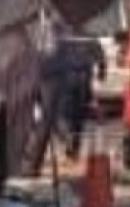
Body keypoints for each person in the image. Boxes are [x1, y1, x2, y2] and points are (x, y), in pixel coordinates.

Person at [45, 20, 106, 159]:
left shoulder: (64, 40)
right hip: (83, 82)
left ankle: (69, 139)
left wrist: (47, 72)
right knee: (78, 117)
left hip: (68, 82)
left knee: (64, 115)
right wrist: (102, 72)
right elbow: (100, 57)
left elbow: (52, 59)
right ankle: (73, 146)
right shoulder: (88, 38)